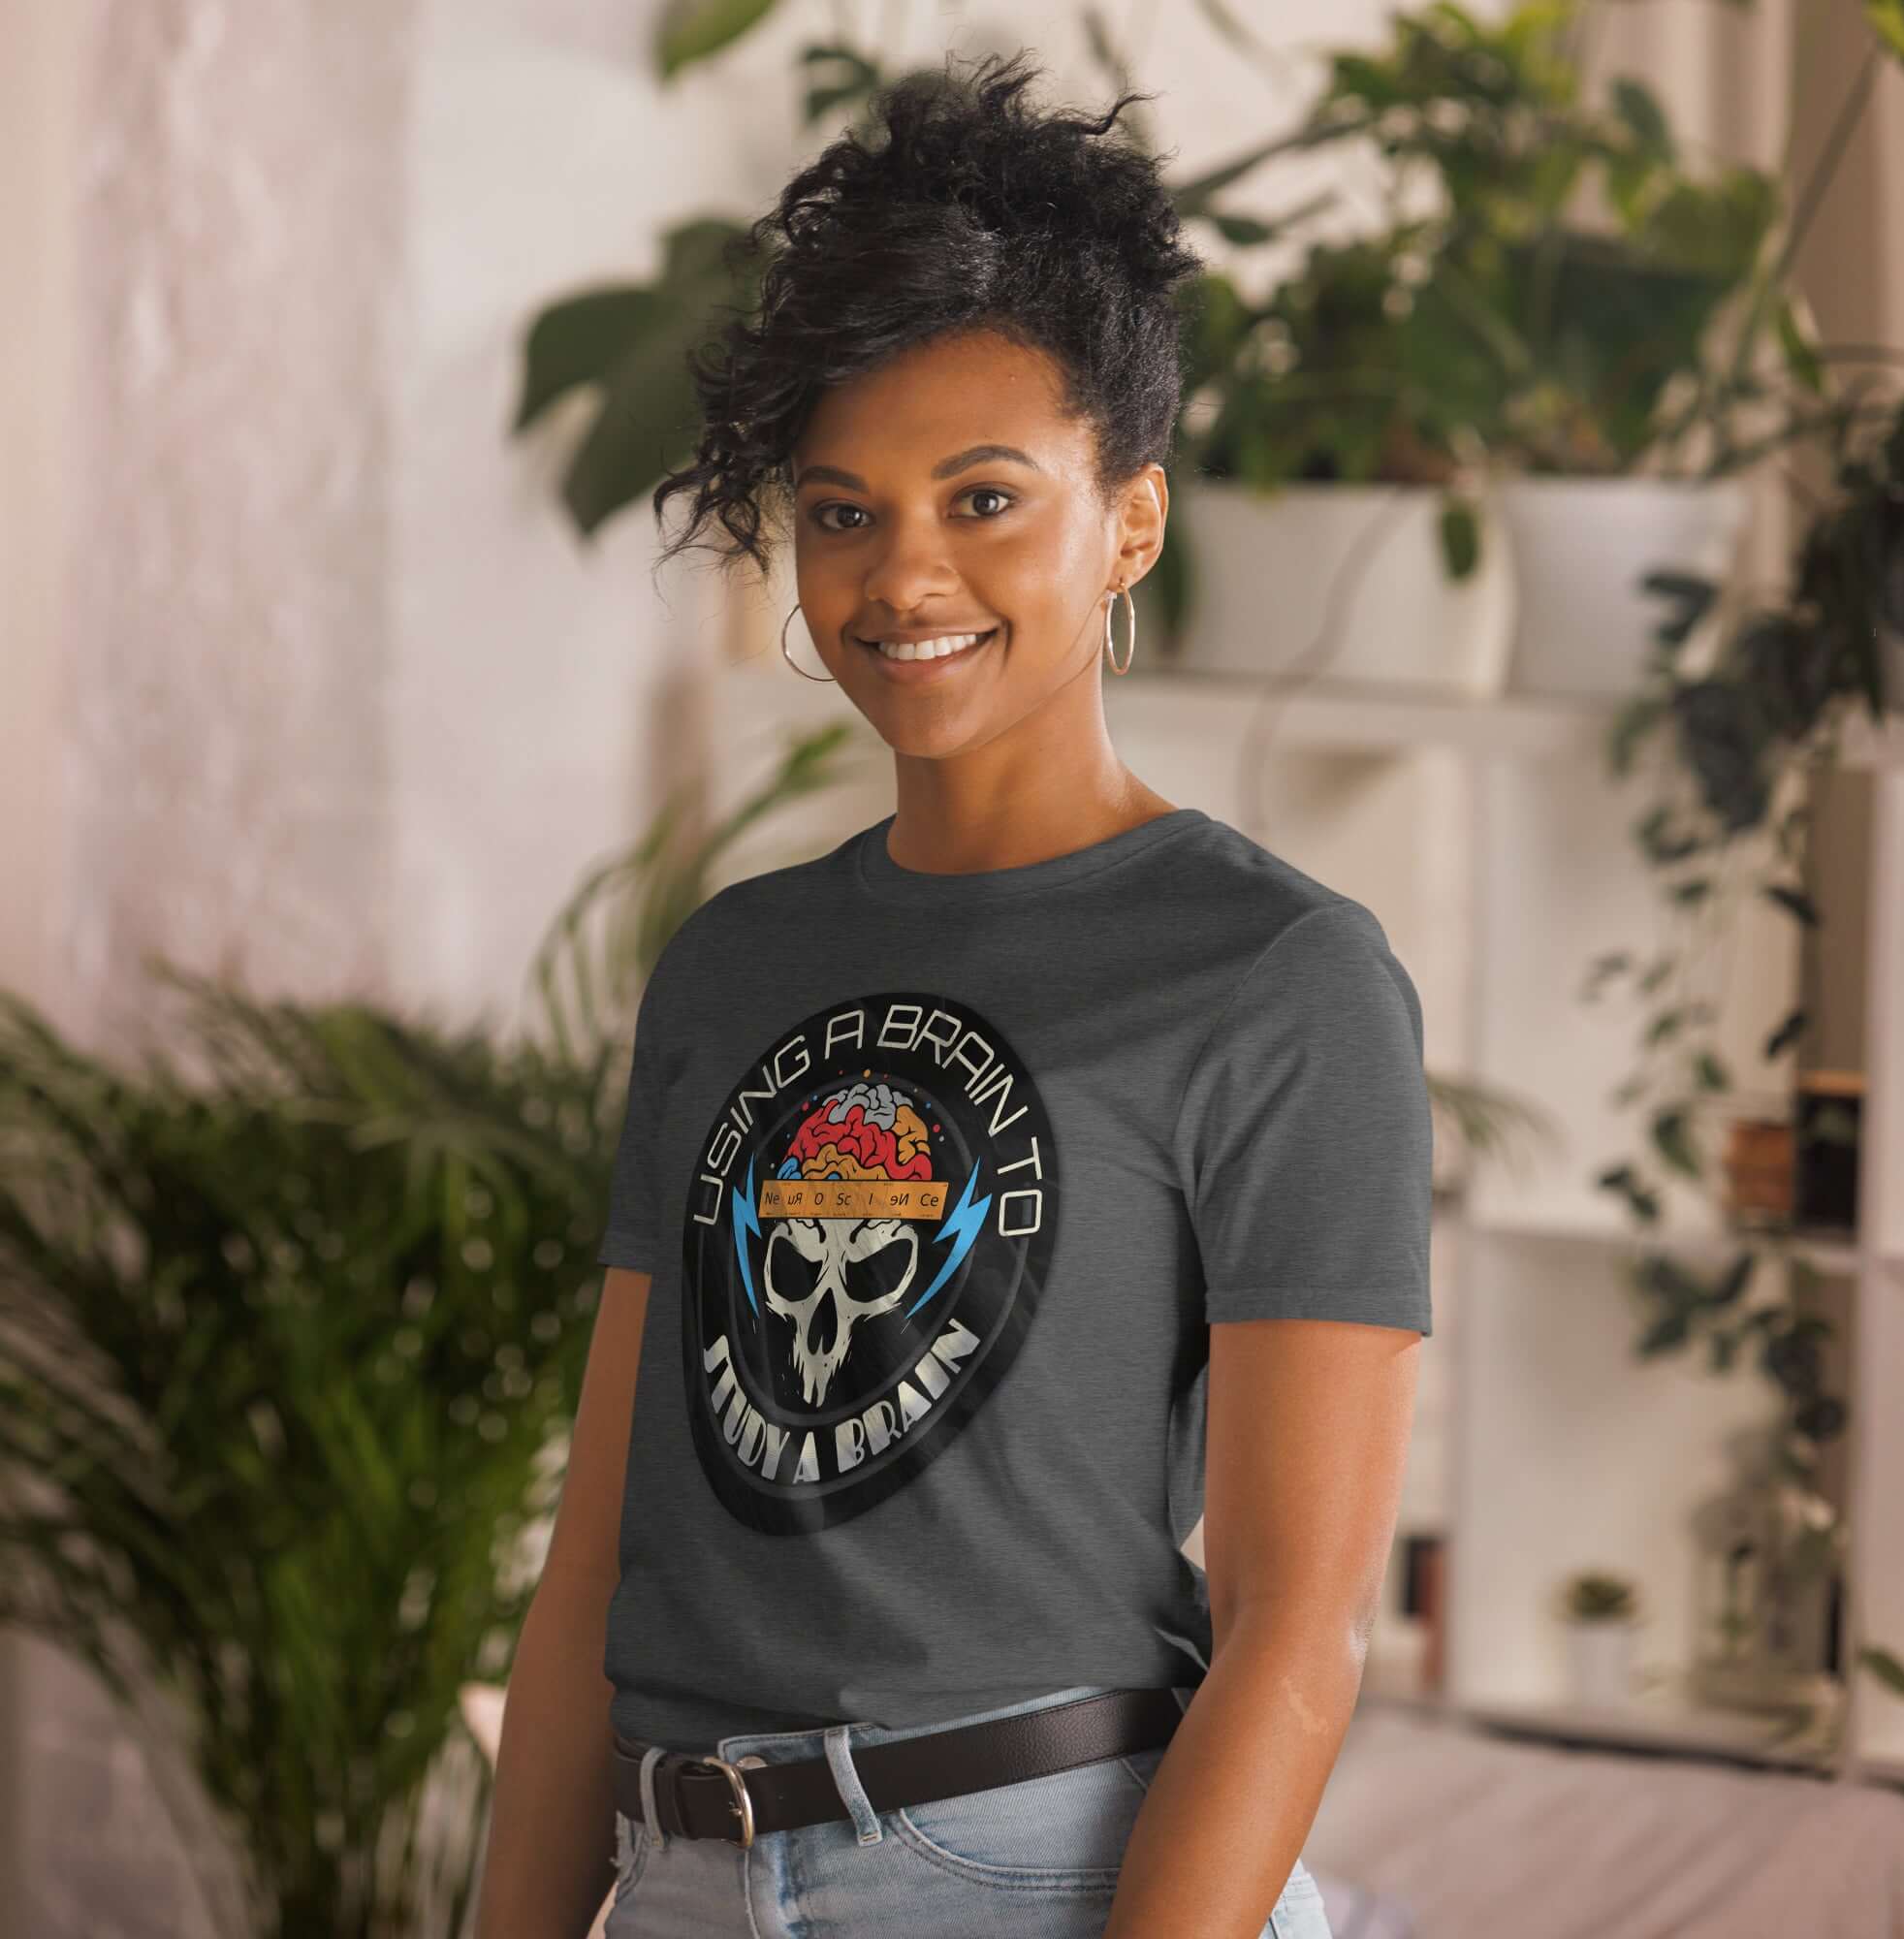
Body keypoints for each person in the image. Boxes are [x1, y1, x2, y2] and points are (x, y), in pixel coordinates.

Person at [474, 48, 1430, 1939]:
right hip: (680, 1873)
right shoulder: (736, 961)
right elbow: (602, 1554)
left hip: (1030, 1868)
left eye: (983, 497)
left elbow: (1296, 1628)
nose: (902, 572)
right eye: (841, 511)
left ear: (1128, 521)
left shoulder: (1273, 974)